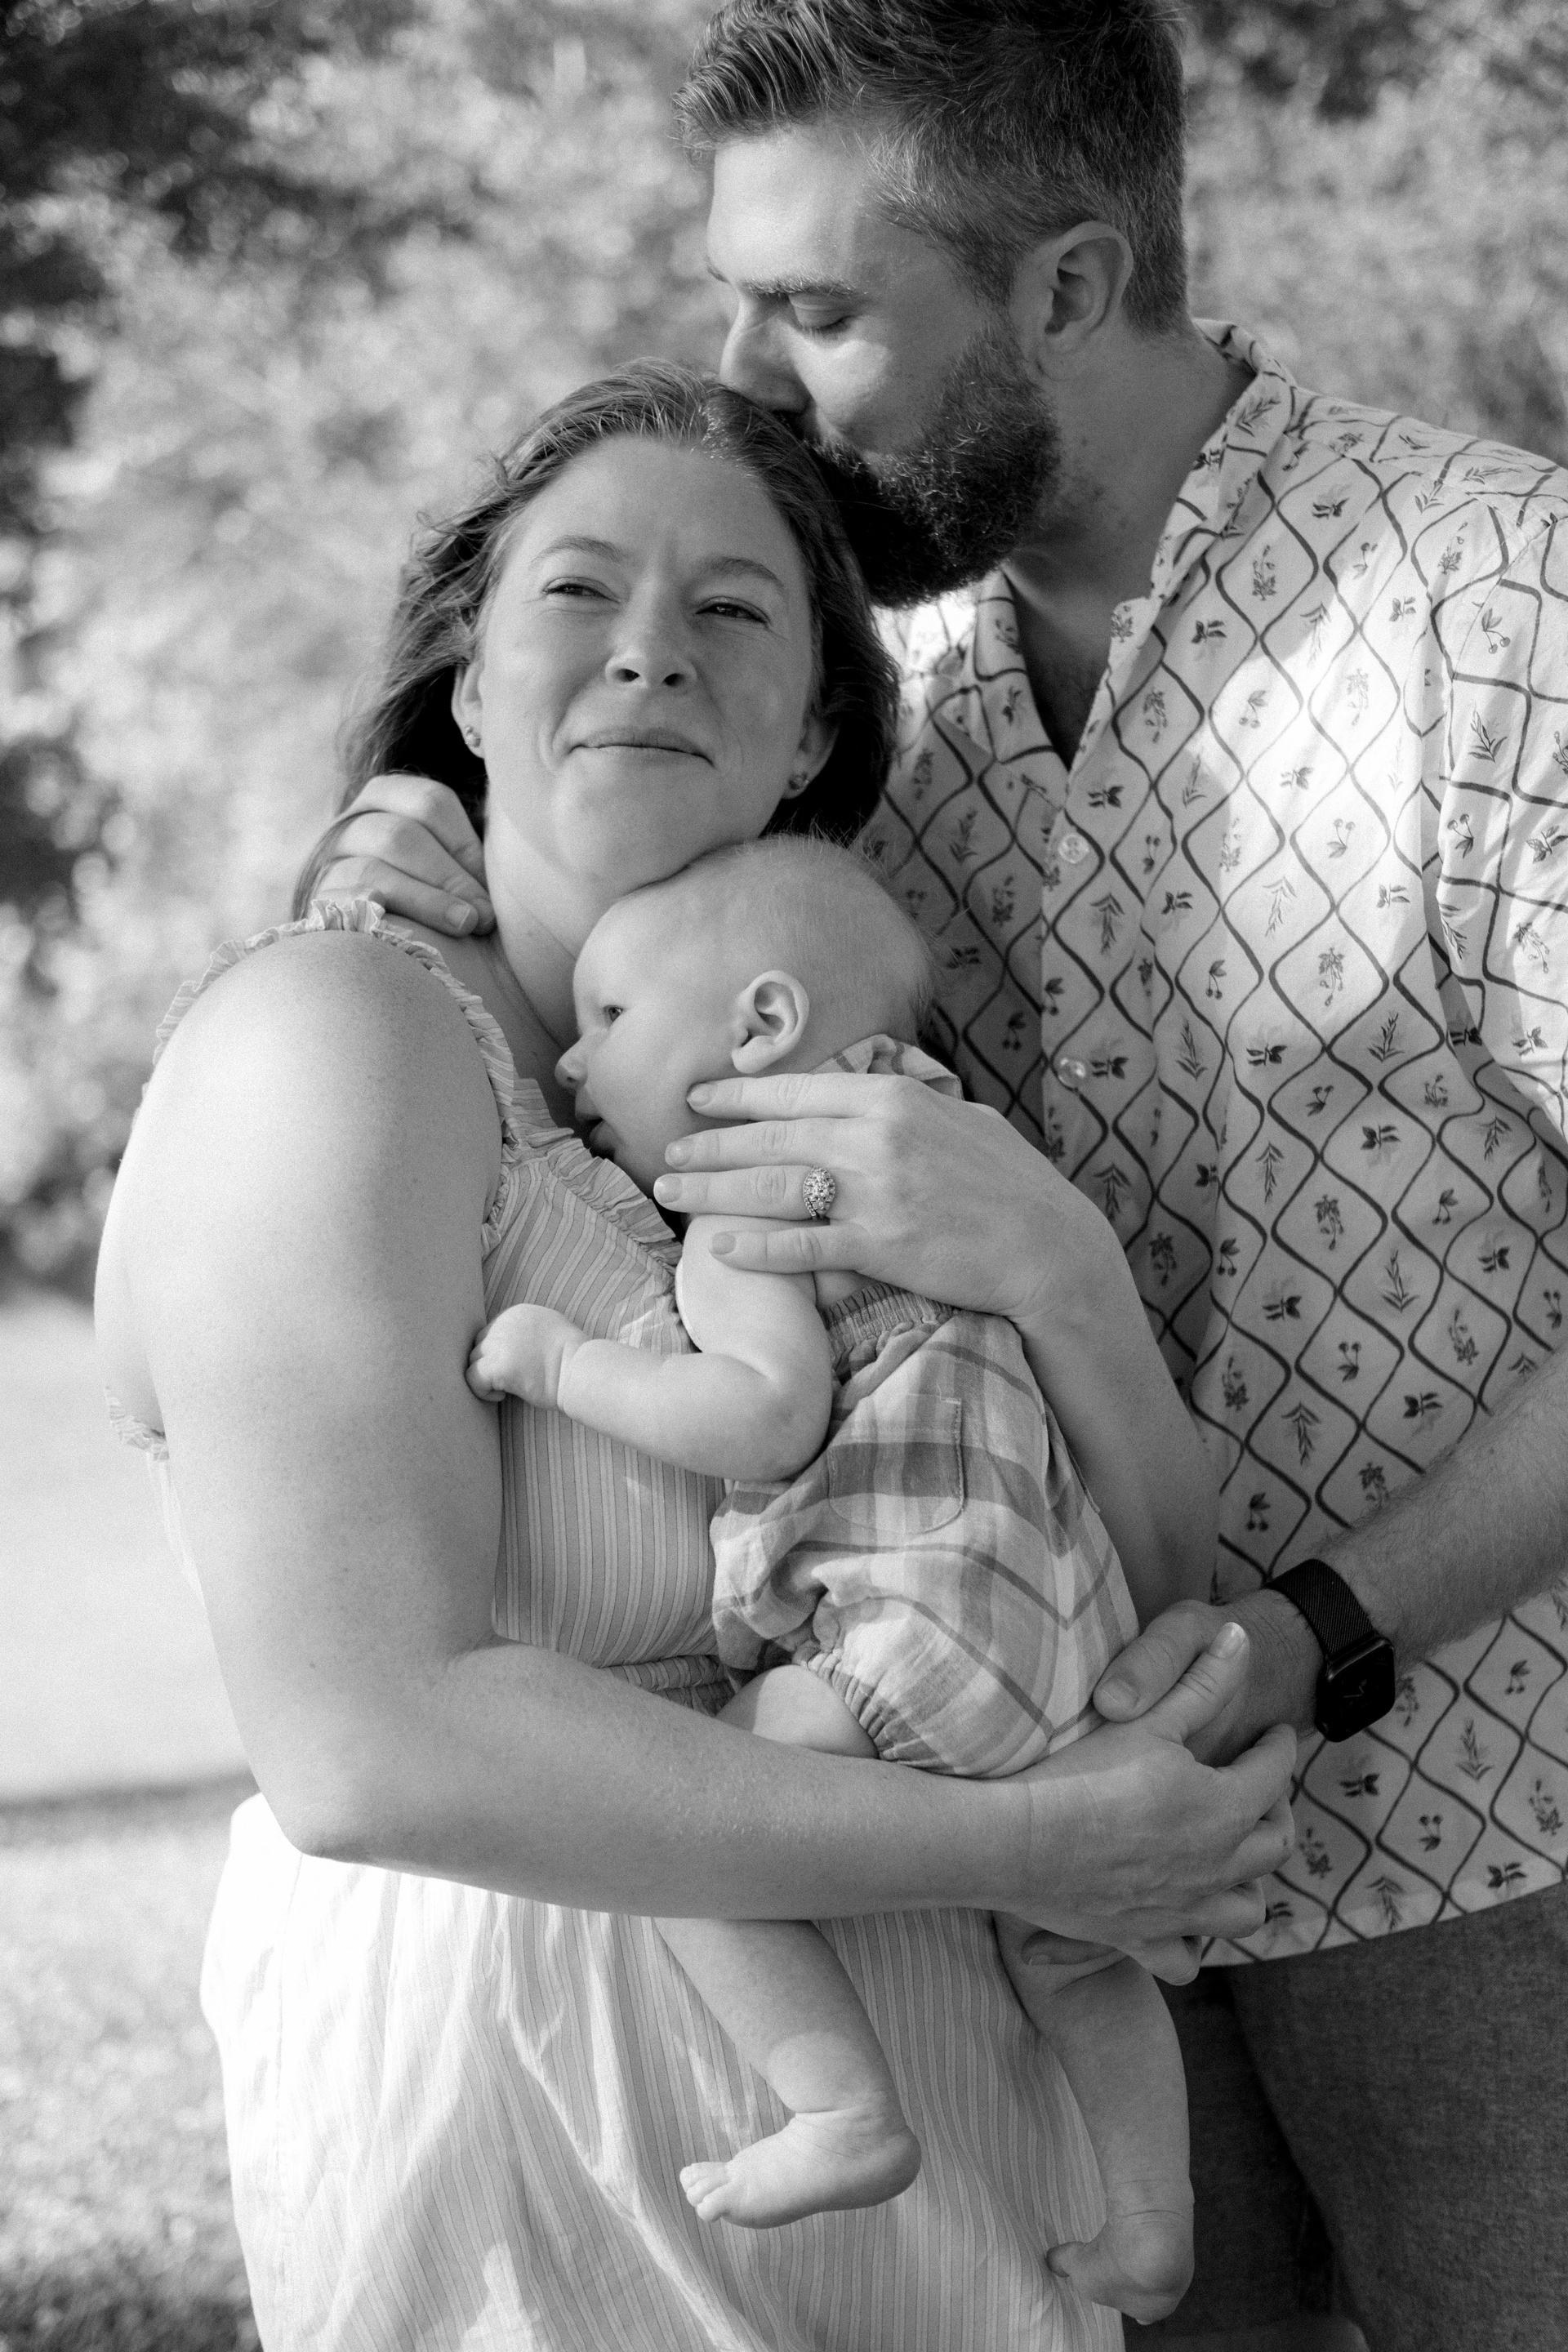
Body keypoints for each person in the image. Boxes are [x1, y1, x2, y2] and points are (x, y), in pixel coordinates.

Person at [315, 7, 1568, 2348]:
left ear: (1071, 285)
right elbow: (616, 986)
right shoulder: (854, 683)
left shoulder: (1499, 602)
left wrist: (1326, 1626)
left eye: (815, 308)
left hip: (1499, 1839)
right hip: (1017, 1873)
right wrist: (426, 863)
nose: (747, 377)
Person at [96, 363, 1295, 2352]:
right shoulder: (332, 1039)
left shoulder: (849, 1104)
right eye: (579, 591)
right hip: (565, 2151)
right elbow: (369, 1748)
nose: (651, 649)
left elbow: (1143, 1586)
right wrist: (1036, 1845)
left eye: (734, 609)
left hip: (969, 2158)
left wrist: (1065, 1269)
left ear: (817, 721)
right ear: (467, 681)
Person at [469, 831, 1196, 2321]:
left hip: (909, 1629)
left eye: (610, 1016)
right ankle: (1150, 2219)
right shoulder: (955, 1150)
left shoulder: (754, 1205)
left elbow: (763, 1415)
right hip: (1064, 1635)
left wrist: (566, 1364)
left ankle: (842, 2108)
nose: (571, 1063)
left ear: (760, 1027)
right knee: (1076, 1956)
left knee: (671, 1835)